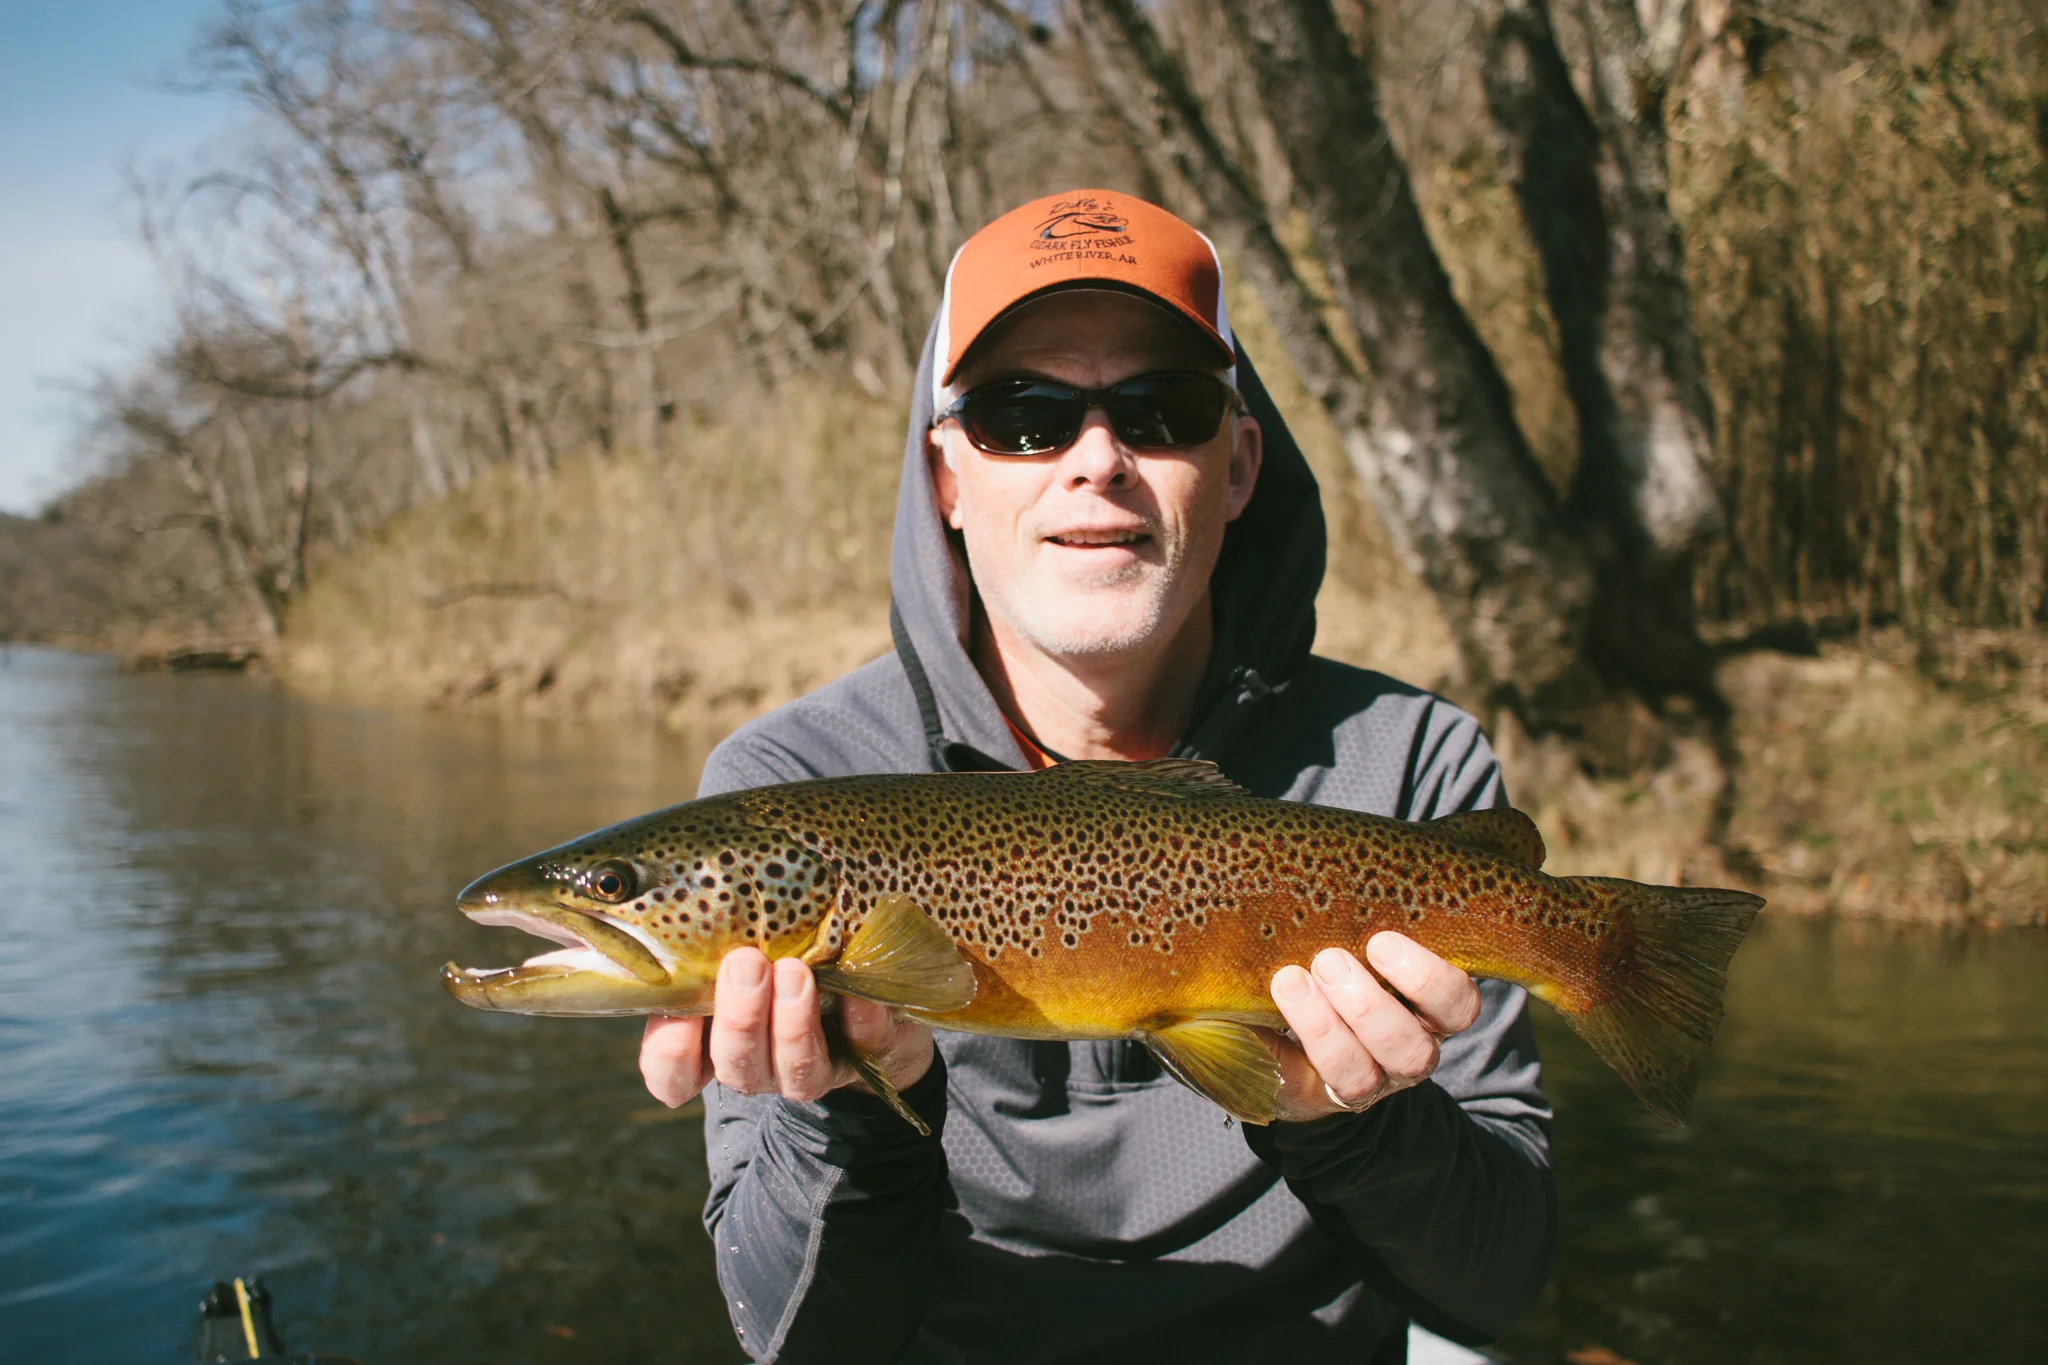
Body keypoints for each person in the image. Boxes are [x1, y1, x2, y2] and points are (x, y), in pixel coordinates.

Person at [638, 189, 1555, 1363]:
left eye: (1160, 408)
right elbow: (800, 1345)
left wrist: (1348, 1125)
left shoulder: (1404, 763)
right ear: (945, 479)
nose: (1096, 461)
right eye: (1022, 416)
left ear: (1236, 467)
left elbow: (1496, 1286)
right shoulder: (790, 788)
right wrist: (854, 1113)